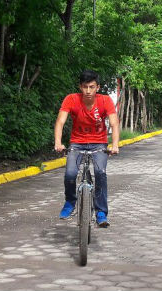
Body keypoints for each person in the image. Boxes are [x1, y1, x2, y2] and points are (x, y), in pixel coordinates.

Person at [54, 70, 120, 227]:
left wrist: (115, 144)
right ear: (80, 87)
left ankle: (101, 212)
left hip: (99, 144)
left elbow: (114, 123)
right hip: (77, 143)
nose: (88, 91)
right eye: (85, 87)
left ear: (98, 87)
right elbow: (60, 122)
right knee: (70, 173)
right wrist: (58, 142)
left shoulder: (105, 101)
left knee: (100, 173)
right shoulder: (71, 99)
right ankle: (70, 201)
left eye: (91, 87)